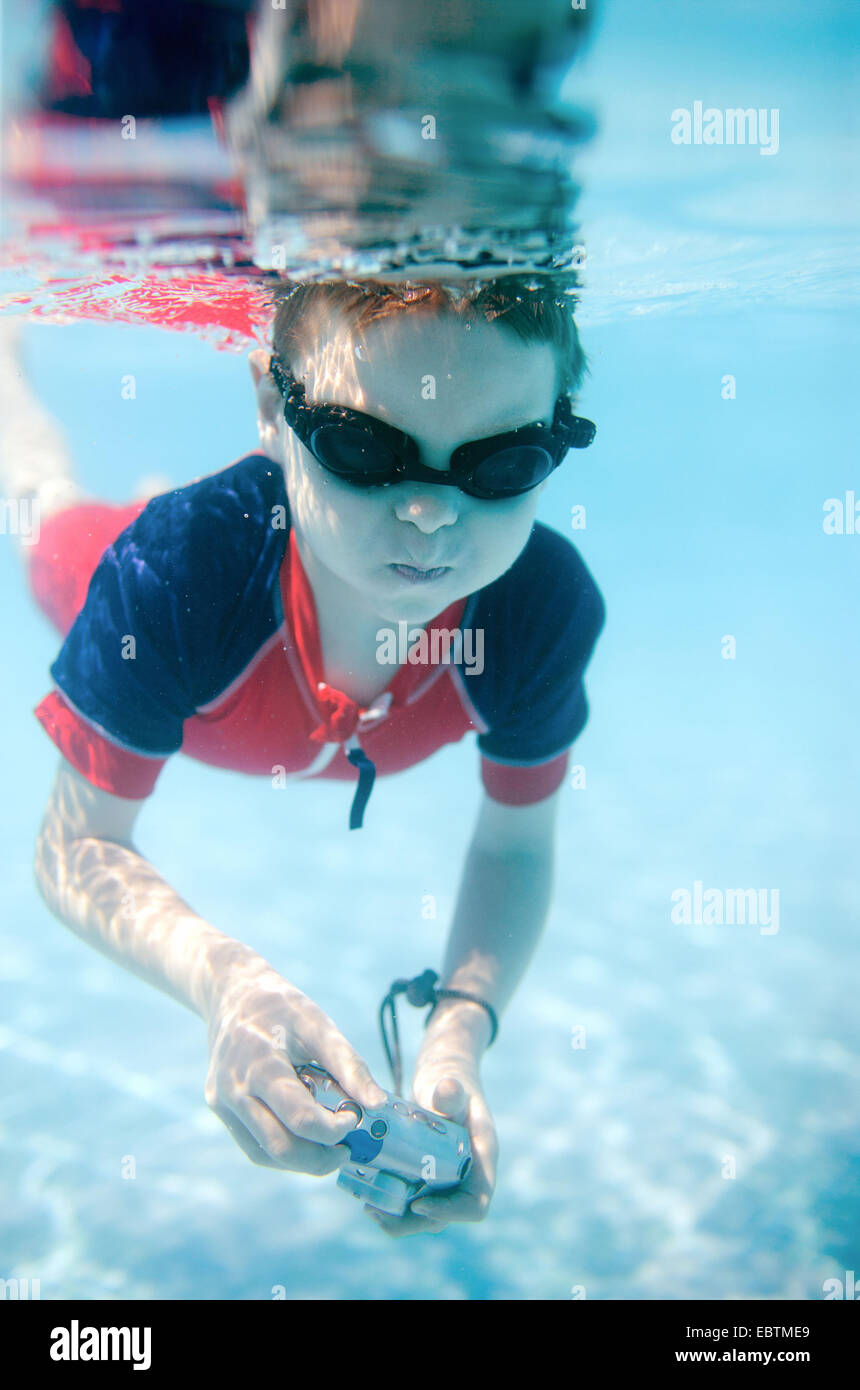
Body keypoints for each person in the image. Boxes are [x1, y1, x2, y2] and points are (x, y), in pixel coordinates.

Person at [5, 274, 605, 1237]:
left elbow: (517, 848)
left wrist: (458, 1031)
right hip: (191, 579)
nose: (431, 520)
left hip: (252, 557)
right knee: (44, 513)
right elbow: (72, 849)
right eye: (362, 448)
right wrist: (227, 983)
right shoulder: (170, 573)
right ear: (268, 406)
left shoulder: (537, 609)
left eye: (503, 465)